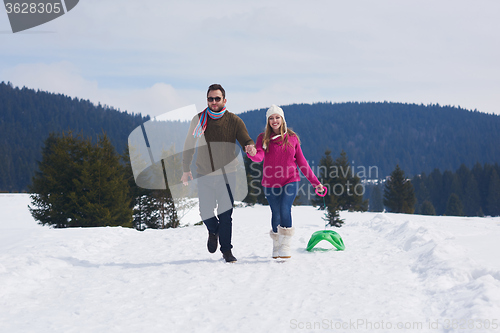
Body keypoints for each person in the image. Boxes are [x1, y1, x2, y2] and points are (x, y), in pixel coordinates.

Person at [181, 84, 255, 263]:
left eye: (217, 99)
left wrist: (250, 145)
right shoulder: (199, 119)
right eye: (210, 99)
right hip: (204, 173)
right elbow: (189, 145)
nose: (213, 102)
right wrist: (185, 169)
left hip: (227, 174)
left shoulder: (234, 121)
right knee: (205, 211)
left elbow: (245, 138)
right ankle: (213, 230)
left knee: (225, 214)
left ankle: (227, 251)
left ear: (224, 100)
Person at [246, 104, 324, 259]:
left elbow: (302, 162)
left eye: (277, 117)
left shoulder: (292, 138)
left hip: (290, 179)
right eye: (271, 118)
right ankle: (276, 245)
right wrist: (253, 153)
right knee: (275, 213)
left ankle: (285, 245)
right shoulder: (263, 138)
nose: (274, 121)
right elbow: (260, 157)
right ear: (268, 121)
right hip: (270, 182)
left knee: (284, 208)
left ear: (282, 119)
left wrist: (316, 183)